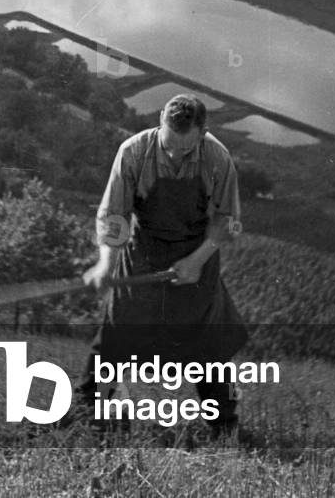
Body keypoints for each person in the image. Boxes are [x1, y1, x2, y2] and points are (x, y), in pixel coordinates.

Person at [79, 93, 248, 436]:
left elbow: (227, 220)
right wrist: (106, 264)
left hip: (196, 254)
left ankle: (225, 429)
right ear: (160, 121)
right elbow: (115, 214)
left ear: (202, 133)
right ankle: (89, 418)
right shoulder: (133, 152)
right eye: (169, 146)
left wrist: (197, 262)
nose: (174, 155)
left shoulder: (217, 158)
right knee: (115, 337)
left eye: (184, 150)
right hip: (142, 253)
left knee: (206, 345)